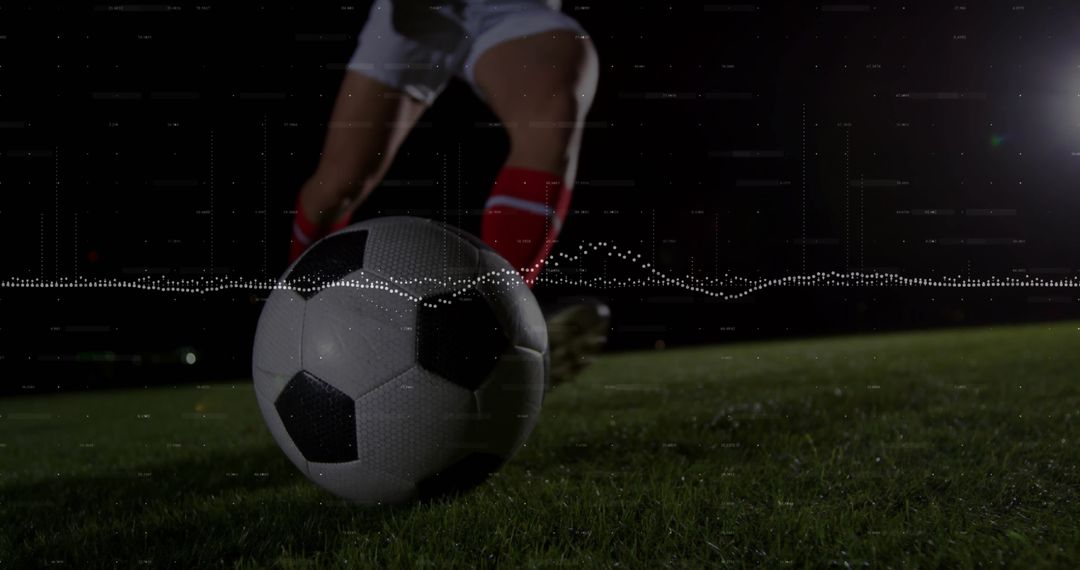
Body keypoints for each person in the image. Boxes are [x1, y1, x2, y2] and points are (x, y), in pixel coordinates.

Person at [288, 0, 608, 385]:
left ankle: (492, 331)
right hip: (417, 12)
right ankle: (292, 325)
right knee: (337, 184)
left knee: (552, 113)